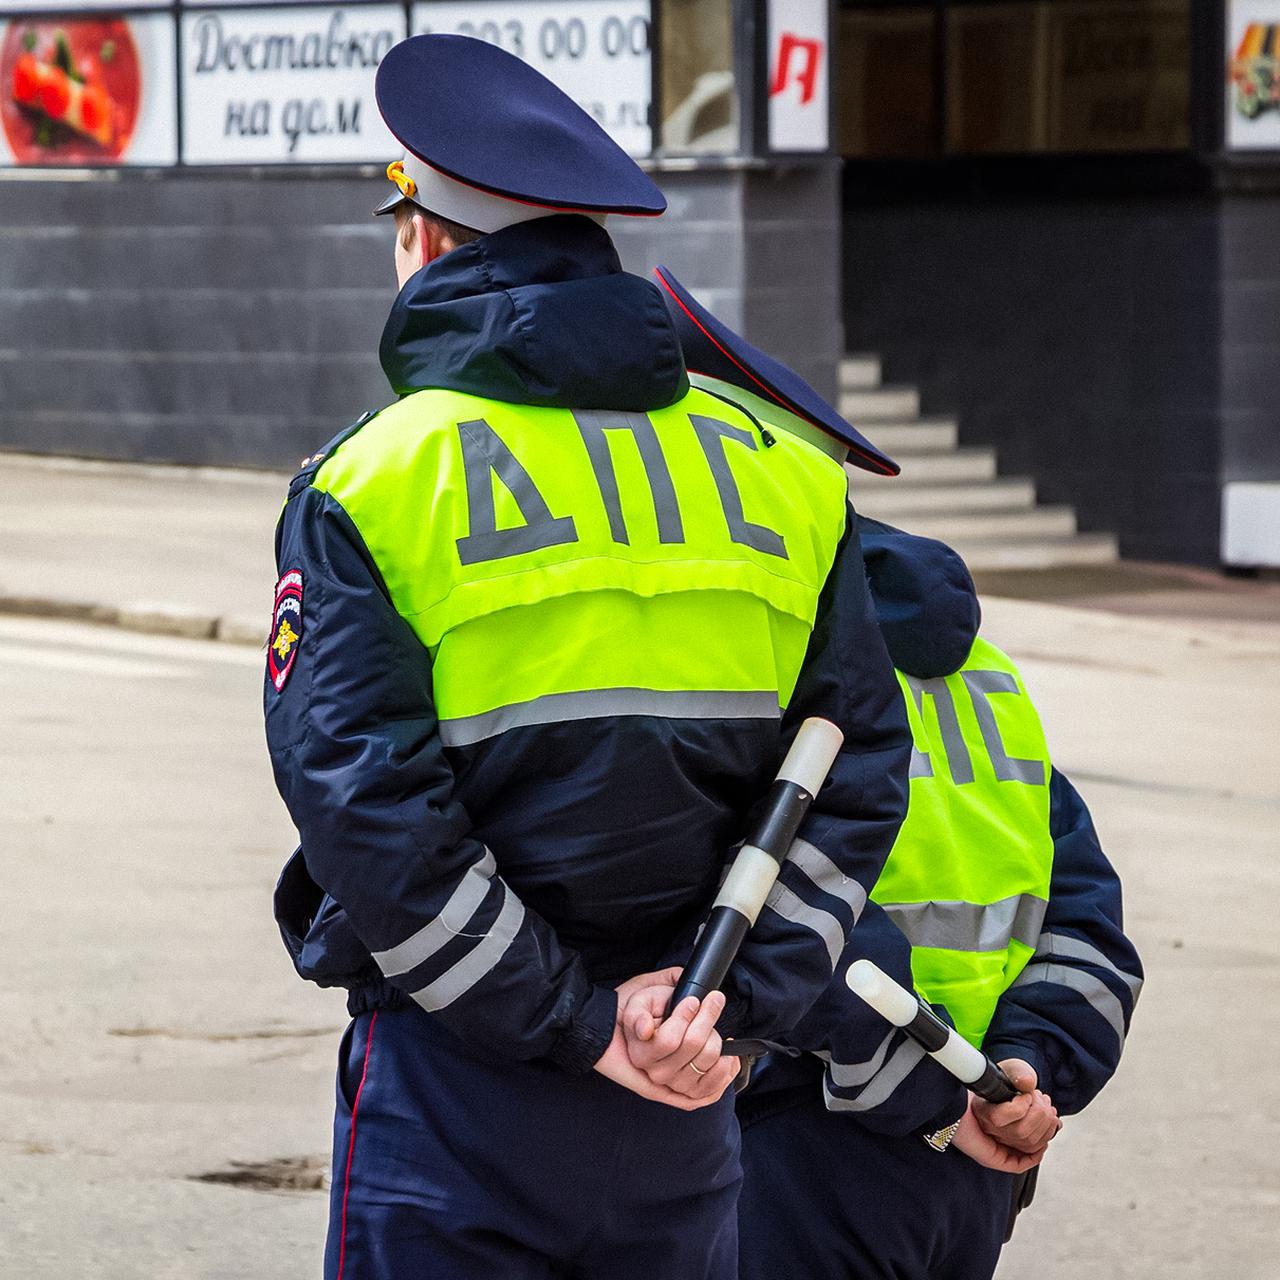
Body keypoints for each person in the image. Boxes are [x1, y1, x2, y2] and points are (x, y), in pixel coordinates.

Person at [265, 35, 915, 1280]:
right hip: (691, 1080)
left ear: (427, 240)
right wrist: (721, 1006)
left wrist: (572, 1022)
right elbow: (859, 770)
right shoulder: (781, 473)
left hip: (460, 1087)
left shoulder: (374, 477)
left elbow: (363, 802)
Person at [654, 266, 1144, 1280]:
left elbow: (771, 916)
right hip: (976, 1161)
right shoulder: (983, 672)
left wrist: (931, 1094)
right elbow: (1087, 922)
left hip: (809, 1147)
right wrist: (1026, 1071)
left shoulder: (769, 657)